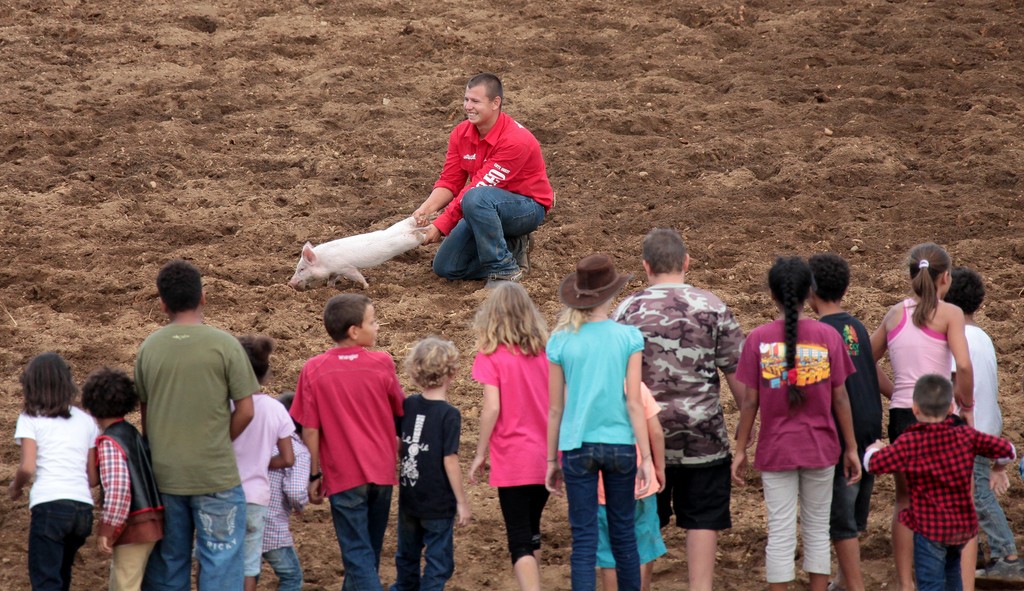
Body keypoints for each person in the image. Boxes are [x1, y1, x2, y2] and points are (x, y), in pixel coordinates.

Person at [613, 228, 744, 591]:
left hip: (641, 439)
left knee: (643, 526)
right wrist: (744, 434)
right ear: (686, 262)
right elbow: (740, 381)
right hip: (702, 437)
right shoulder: (713, 306)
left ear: (645, 266)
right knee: (702, 519)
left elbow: (616, 380)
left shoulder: (626, 310)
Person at [732, 256, 861, 591]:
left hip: (776, 450)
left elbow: (750, 401)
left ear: (772, 294)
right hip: (821, 448)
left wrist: (740, 448)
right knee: (818, 531)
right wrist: (850, 447)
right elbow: (841, 398)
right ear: (810, 292)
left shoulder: (758, 339)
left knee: (780, 531)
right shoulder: (828, 336)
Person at [135, 259, 259, 591]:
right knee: (220, 560)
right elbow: (246, 410)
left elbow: (147, 415)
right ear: (203, 297)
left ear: (161, 303)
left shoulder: (149, 349)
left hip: (165, 475)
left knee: (169, 562)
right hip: (215, 474)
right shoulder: (226, 346)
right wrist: (221, 438)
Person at [545, 253, 653, 591]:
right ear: (611, 294)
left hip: (577, 446)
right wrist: (646, 458)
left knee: (584, 541)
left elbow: (555, 409)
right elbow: (634, 402)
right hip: (621, 444)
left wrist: (551, 459)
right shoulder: (629, 337)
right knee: (624, 537)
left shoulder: (560, 340)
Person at [869, 243, 974, 591]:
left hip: (903, 414)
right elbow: (962, 364)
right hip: (941, 414)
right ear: (946, 278)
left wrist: (894, 392)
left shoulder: (893, 315)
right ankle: (954, 577)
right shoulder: (951, 314)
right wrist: (966, 402)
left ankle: (905, 583)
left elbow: (865, 360)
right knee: (954, 494)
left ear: (911, 277)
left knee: (905, 500)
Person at [289, 293, 405, 590]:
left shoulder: (314, 369)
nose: (378, 326)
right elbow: (399, 412)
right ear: (354, 331)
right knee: (368, 554)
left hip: (344, 476)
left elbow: (310, 430)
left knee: (357, 555)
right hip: (381, 472)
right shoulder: (382, 363)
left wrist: (314, 473)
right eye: (373, 321)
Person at [865, 375, 1015, 591]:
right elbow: (1008, 449)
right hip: (961, 527)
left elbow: (873, 465)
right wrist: (998, 468)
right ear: (951, 407)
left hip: (929, 528)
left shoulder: (909, 441)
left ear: (915, 409)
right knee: (953, 573)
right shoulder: (966, 435)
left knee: (931, 583)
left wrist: (873, 450)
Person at [412, 72, 554, 286]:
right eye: (466, 99)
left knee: (477, 198)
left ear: (495, 103)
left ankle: (503, 269)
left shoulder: (516, 141)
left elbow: (478, 187)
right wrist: (425, 210)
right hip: (483, 207)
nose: (468, 106)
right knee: (446, 266)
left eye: (475, 101)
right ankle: (513, 250)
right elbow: (450, 181)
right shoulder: (461, 134)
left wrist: (440, 226)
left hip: (526, 209)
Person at [807, 253, 890, 591]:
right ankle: (843, 582)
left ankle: (852, 585)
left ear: (809, 291)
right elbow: (871, 370)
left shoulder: (816, 333)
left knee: (839, 519)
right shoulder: (855, 326)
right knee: (855, 514)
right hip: (870, 427)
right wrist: (902, 395)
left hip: (842, 435)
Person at [467, 282, 550, 591]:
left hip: (513, 459)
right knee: (532, 530)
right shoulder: (545, 353)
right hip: (545, 457)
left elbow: (491, 407)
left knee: (519, 540)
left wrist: (479, 452)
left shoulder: (490, 356)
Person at [943, 268, 1023, 580]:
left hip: (969, 431)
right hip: (988, 428)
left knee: (977, 494)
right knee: (970, 492)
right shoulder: (984, 337)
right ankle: (972, 554)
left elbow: (953, 385)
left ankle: (1007, 553)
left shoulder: (957, 339)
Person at [10, 352, 99, 591]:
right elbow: (92, 478)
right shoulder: (86, 420)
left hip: (49, 506)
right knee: (62, 574)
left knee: (45, 580)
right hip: (82, 510)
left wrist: (15, 487)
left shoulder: (29, 418)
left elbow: (27, 467)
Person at [392, 337, 471, 590]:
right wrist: (461, 500)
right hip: (438, 503)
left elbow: (397, 443)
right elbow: (450, 459)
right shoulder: (450, 415)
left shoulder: (408, 404)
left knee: (406, 557)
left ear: (414, 373)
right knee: (439, 564)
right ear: (453, 373)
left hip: (409, 496)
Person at [81, 367, 165, 591]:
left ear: (91, 407)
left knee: (124, 584)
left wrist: (109, 528)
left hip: (134, 525)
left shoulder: (109, 441)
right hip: (153, 519)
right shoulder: (130, 431)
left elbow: (118, 488)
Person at [233, 335, 296, 591]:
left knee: (214, 554)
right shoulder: (275, 408)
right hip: (256, 498)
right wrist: (262, 462)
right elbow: (288, 458)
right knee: (250, 564)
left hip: (221, 493)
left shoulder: (223, 405)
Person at [596, 383, 666, 591]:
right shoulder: (636, 386)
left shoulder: (586, 386)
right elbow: (656, 432)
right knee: (642, 547)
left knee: (609, 555)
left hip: (601, 488)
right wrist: (659, 467)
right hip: (641, 483)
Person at [261, 392, 311, 591]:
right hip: (271, 524)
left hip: (243, 514)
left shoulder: (262, 440)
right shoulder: (299, 451)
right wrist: (300, 504)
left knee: (249, 573)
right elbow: (295, 491)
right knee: (292, 577)